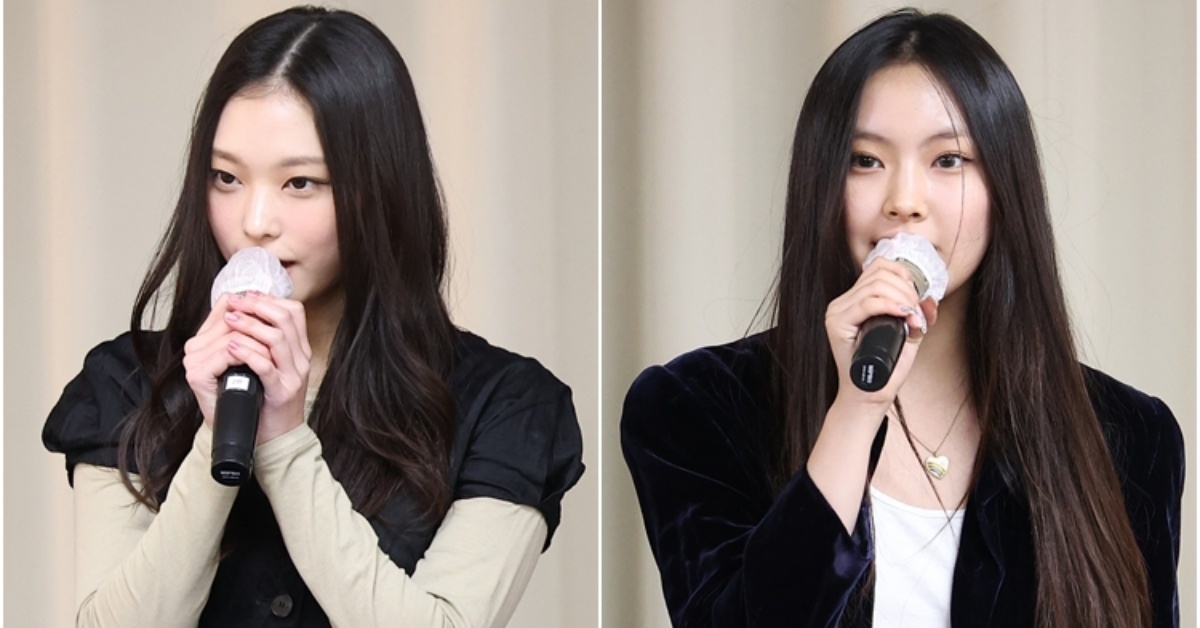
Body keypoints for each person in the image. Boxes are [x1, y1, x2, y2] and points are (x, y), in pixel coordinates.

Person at [621, 9, 1182, 628]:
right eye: (865, 160)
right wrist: (855, 411)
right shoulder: (695, 408)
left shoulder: (1129, 436)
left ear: (1005, 188)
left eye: (949, 160)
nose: (905, 202)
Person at [42, 6, 585, 626]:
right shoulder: (124, 382)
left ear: (381, 189)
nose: (254, 222)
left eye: (300, 183)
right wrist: (217, 439)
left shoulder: (505, 404)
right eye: (226, 178)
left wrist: (285, 444)